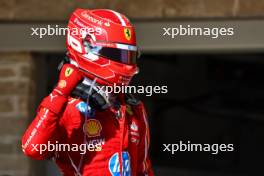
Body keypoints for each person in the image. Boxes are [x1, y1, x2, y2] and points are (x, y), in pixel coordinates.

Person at [22, 8, 154, 176]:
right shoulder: (67, 108)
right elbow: (32, 148)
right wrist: (60, 92)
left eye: (129, 56)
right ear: (86, 47)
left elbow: (144, 171)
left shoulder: (135, 110)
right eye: (118, 55)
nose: (127, 66)